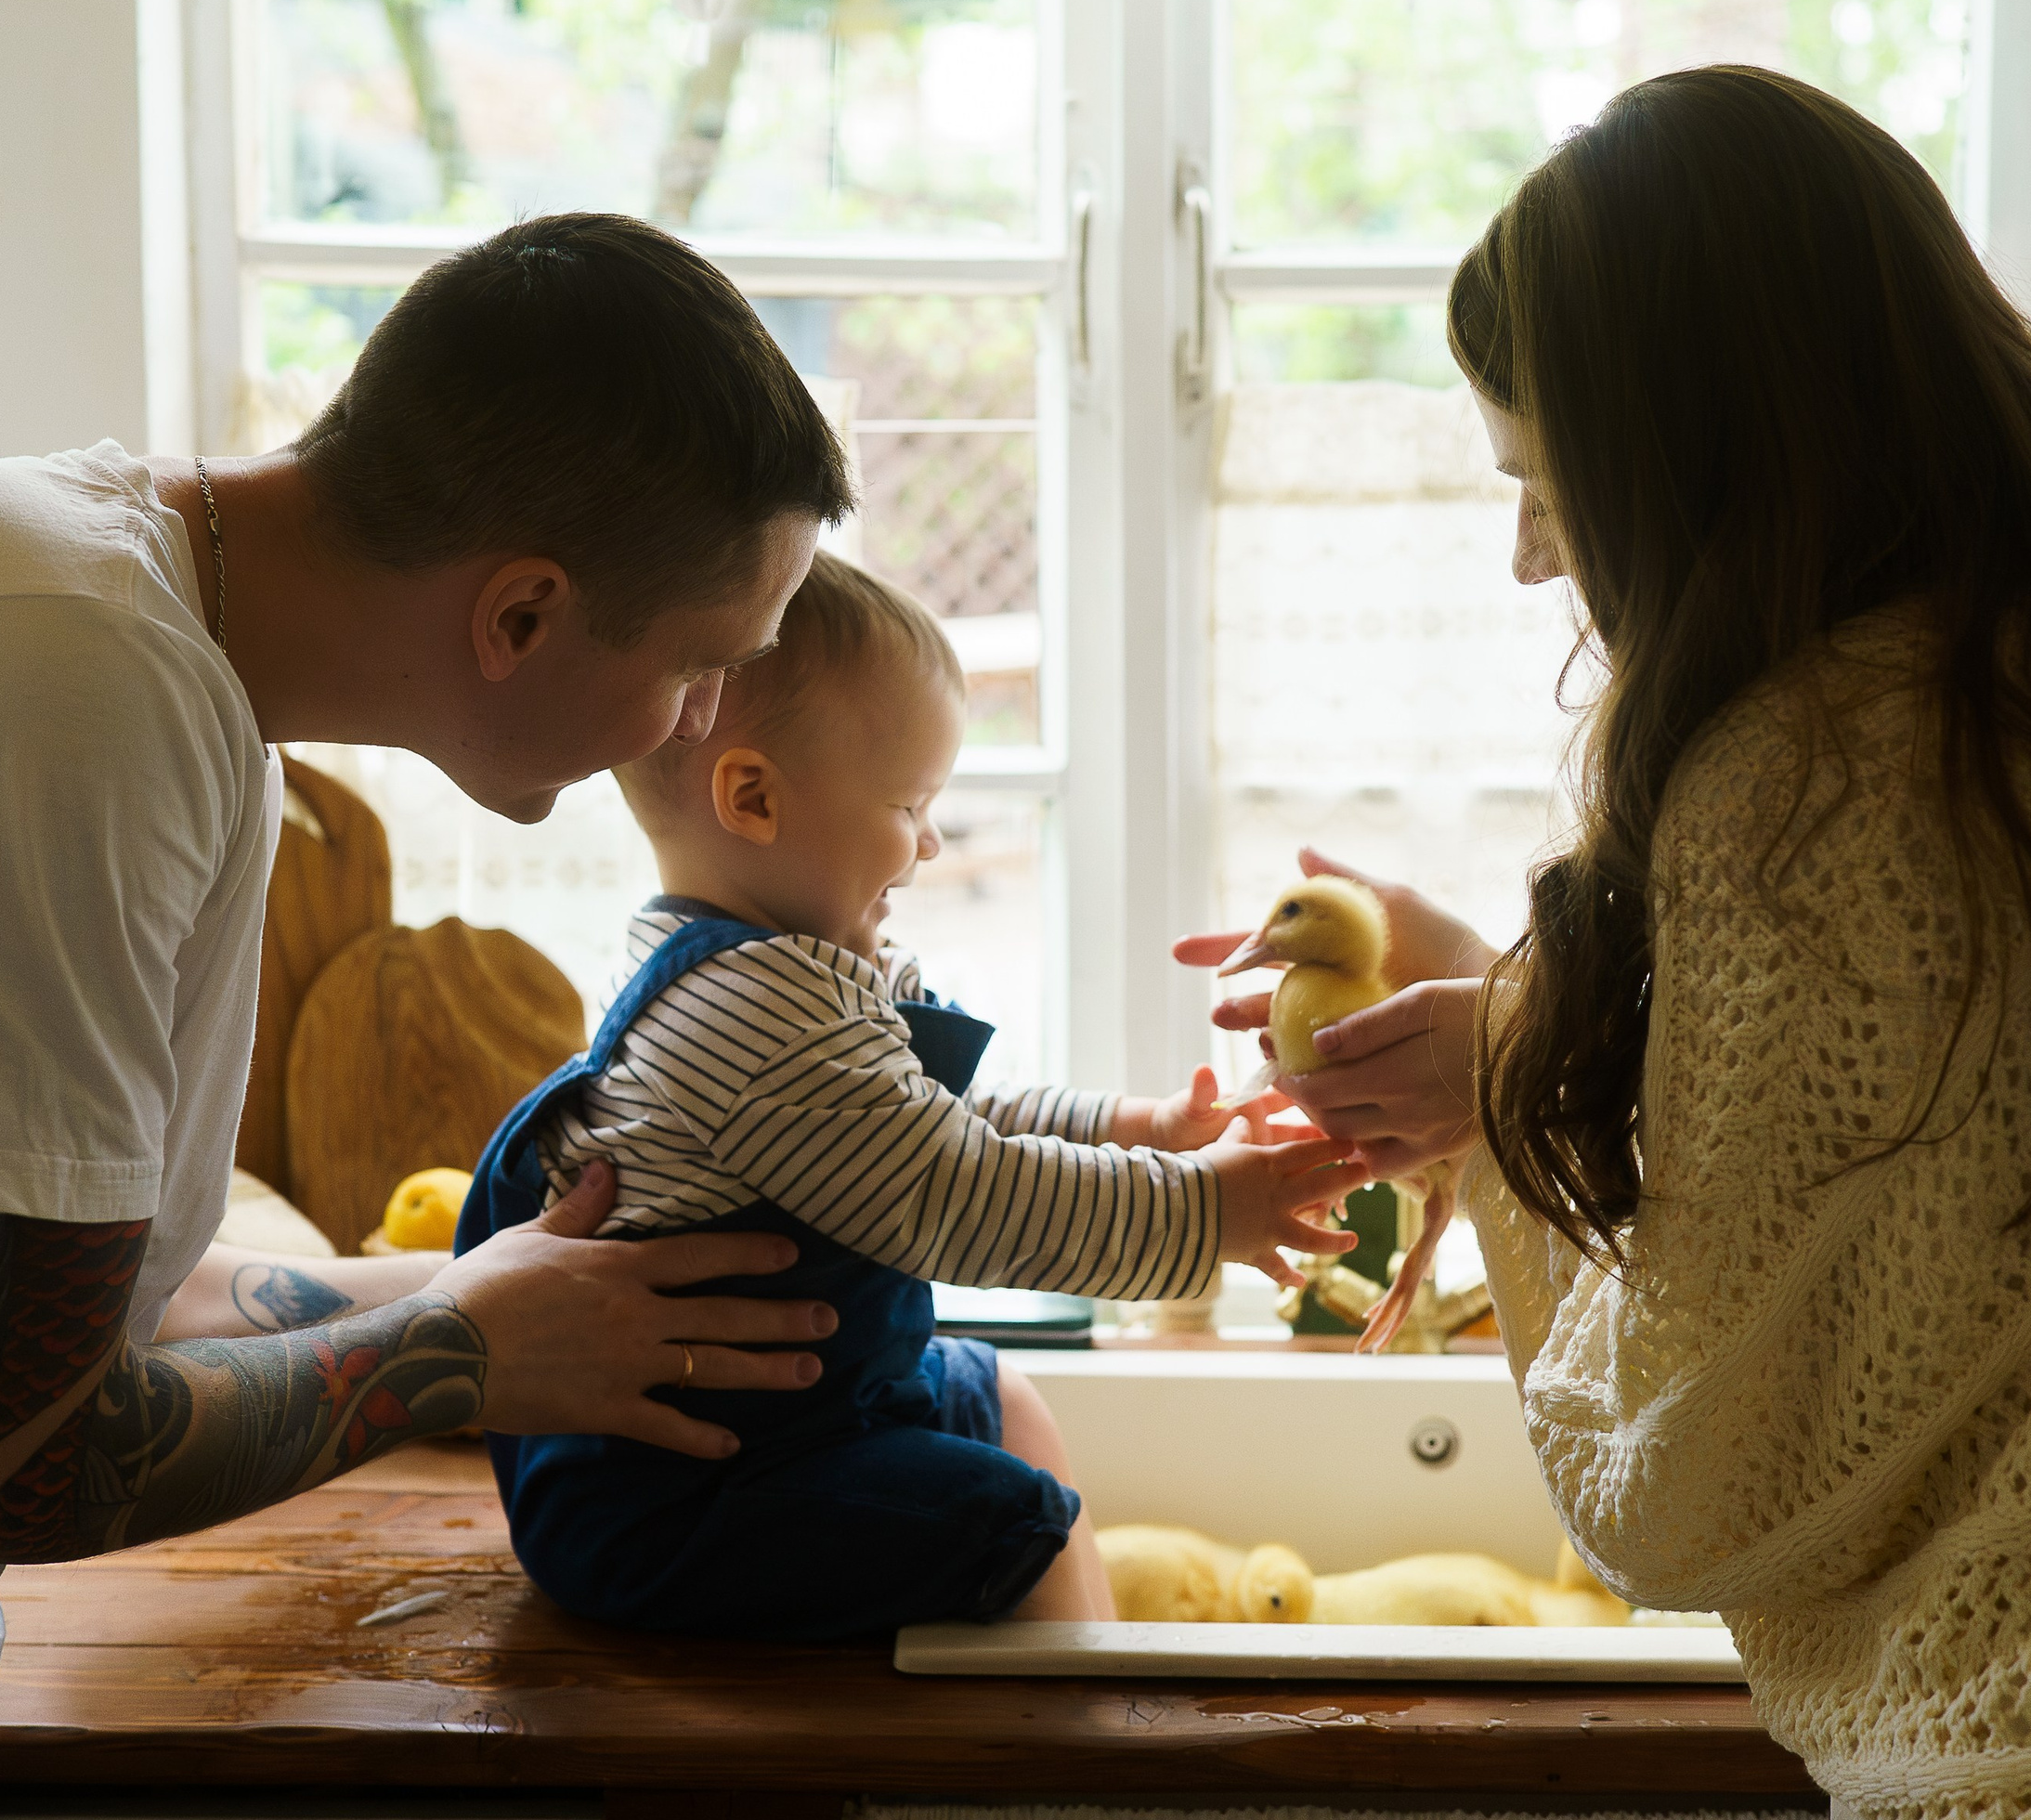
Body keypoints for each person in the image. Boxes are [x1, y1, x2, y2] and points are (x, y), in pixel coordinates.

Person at [1182, 69, 2031, 1820]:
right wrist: (1525, 1005)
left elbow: (1673, 1476)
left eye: (1534, 478)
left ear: (1682, 447)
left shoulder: (1794, 773)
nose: (1524, 551)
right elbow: (2004, 1146)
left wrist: (1500, 1128)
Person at [0, 214, 863, 1820]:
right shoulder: (68, 686)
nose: (700, 722)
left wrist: (448, 1289)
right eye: (699, 655)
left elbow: (84, 1318)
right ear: (521, 610)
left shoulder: (144, 652)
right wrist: (459, 1363)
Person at [460, 550, 1363, 1639]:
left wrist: (1136, 1132)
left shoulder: (785, 968)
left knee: (1001, 1397)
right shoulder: (751, 1014)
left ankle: (1090, 1661)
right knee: (1012, 1522)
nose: (931, 843)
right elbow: (958, 1194)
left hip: (794, 1418)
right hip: (678, 1498)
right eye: (909, 805)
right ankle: (1095, 1762)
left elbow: (926, 1132)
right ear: (751, 797)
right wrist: (1207, 1212)